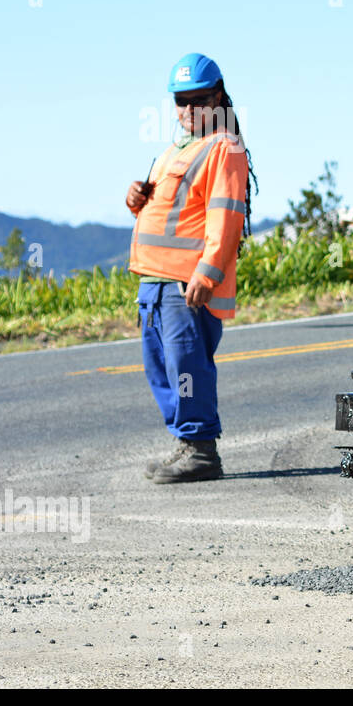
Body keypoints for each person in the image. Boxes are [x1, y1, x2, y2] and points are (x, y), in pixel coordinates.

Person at [125, 53, 253, 483]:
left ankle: (201, 451)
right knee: (160, 367)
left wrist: (209, 271)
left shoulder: (224, 146)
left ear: (217, 96)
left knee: (187, 368)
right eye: (181, 101)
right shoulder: (174, 150)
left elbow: (227, 214)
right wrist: (136, 199)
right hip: (154, 280)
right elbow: (173, 210)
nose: (188, 110)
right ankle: (184, 443)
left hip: (186, 283)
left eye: (198, 100)